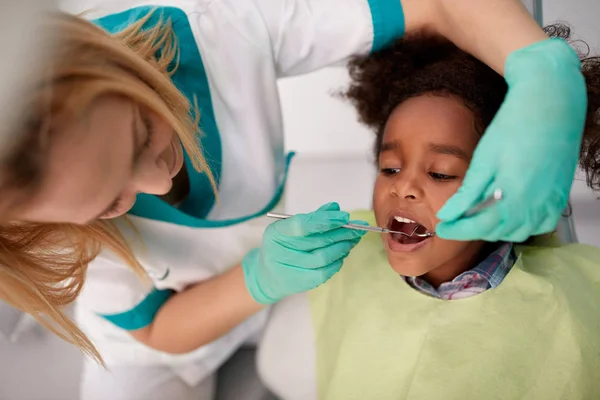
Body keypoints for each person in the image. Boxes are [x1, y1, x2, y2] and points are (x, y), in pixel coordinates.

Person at [0, 0, 588, 398]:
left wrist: (541, 68)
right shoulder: (46, 232)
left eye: (143, 138)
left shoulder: (213, 30)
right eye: (108, 205)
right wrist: (258, 279)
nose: (156, 187)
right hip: (162, 341)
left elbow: (435, 5)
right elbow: (155, 331)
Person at [257, 25, 600, 400]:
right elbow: (178, 331)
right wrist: (260, 276)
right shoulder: (342, 243)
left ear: (508, 183)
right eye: (389, 167)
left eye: (441, 173)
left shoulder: (586, 287)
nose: (401, 186)